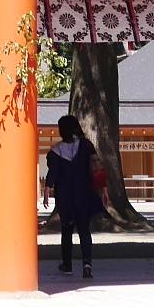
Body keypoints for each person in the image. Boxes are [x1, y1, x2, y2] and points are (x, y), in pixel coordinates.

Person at [43, 113, 107, 278]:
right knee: (84, 230)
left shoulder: (56, 151)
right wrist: (103, 188)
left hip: (65, 196)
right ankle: (87, 264)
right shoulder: (86, 146)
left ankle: (67, 264)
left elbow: (53, 172)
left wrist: (47, 190)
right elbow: (97, 168)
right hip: (84, 193)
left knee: (67, 230)